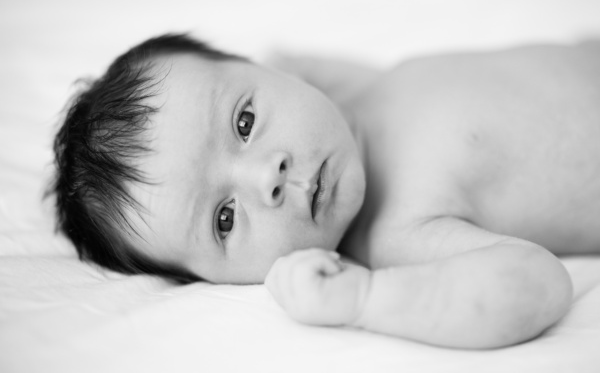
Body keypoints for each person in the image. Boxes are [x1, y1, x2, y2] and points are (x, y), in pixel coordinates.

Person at [51, 33, 600, 349]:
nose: (266, 178)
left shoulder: (356, 94)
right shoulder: (398, 229)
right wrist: (365, 300)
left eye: (244, 122)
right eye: (224, 219)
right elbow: (538, 284)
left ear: (261, 70)